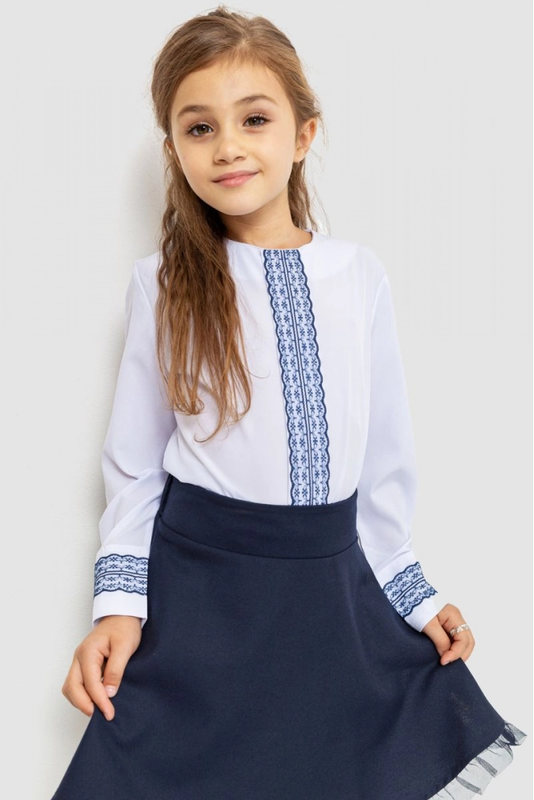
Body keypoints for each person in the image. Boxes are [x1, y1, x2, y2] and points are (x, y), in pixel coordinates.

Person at [50, 6, 526, 799]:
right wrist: (118, 608)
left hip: (325, 587)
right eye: (199, 128)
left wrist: (415, 593)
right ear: (174, 152)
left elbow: (383, 459)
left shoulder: (358, 276)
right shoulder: (160, 285)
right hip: (202, 590)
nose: (228, 146)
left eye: (255, 119)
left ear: (304, 134)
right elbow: (133, 467)